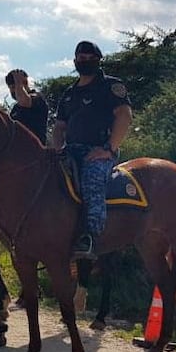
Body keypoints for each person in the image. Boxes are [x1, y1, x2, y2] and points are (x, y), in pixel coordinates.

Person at [53, 41, 133, 260]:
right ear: (75, 61)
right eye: (81, 58)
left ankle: (90, 237)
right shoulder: (69, 93)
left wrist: (108, 149)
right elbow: (59, 127)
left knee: (92, 181)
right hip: (69, 151)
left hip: (98, 152)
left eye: (90, 58)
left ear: (99, 60)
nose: (85, 61)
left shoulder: (110, 86)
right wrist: (56, 149)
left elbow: (124, 116)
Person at [5, 69, 49, 145]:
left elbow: (24, 102)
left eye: (14, 87)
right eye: (11, 88)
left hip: (35, 151)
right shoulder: (15, 108)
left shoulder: (37, 98)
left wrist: (18, 83)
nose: (13, 91)